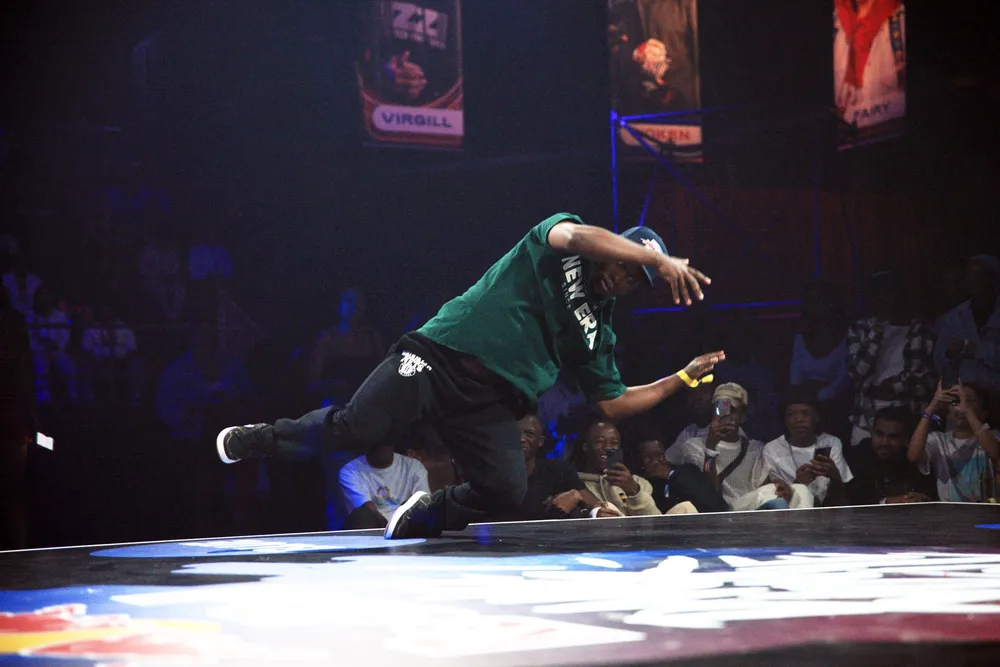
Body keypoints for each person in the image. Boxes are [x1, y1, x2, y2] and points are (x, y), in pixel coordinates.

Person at [216, 213, 720, 538]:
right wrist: (656, 257)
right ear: (615, 248)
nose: (622, 277)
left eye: (635, 280)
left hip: (489, 402)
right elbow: (577, 235)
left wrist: (682, 377)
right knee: (357, 428)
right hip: (436, 358)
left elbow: (612, 402)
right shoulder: (562, 244)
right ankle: (262, 438)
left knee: (505, 490)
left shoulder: (598, 330)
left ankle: (425, 513)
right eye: (625, 263)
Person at [673, 383, 808, 511]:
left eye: (732, 411)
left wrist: (781, 486)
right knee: (768, 493)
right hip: (725, 509)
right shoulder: (694, 446)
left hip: (752, 505)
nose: (726, 416)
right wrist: (711, 447)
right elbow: (710, 493)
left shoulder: (755, 448)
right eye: (720, 409)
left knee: (800, 490)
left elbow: (762, 485)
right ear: (713, 412)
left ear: (742, 416)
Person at [846, 271, 937, 446]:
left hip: (908, 415)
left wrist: (895, 387)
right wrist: (878, 330)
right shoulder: (861, 328)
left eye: (888, 292)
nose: (883, 299)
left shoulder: (921, 329)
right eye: (878, 293)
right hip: (867, 416)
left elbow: (929, 379)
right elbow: (855, 372)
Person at [502, 414, 619, 521]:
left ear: (540, 441)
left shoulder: (558, 470)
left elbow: (594, 502)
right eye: (515, 433)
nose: (521, 439)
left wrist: (579, 497)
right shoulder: (495, 474)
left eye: (529, 434)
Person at [907, 381, 999, 503]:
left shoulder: (992, 436)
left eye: (969, 401)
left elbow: (996, 453)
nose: (961, 406)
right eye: (956, 401)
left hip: (985, 510)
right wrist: (930, 410)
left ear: (983, 413)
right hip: (950, 511)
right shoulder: (939, 440)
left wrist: (968, 412)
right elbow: (913, 456)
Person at [763, 387, 854, 507]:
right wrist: (798, 483)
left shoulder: (831, 443)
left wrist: (834, 475)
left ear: (816, 417)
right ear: (784, 419)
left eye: (805, 413)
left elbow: (843, 494)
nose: (798, 419)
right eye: (791, 414)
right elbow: (773, 497)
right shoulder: (772, 449)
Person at [789, 281, 852, 441]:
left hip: (835, 409)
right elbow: (795, 379)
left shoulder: (847, 338)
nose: (815, 307)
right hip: (805, 404)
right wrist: (805, 399)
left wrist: (818, 398)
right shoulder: (800, 339)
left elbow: (842, 382)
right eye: (811, 302)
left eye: (819, 301)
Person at [0, 287, 36, 549]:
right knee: (13, 493)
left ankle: (19, 550)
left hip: (12, 415)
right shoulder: (15, 323)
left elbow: (24, 373)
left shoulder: (14, 324)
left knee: (13, 492)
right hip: (14, 413)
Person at [933, 255, 1000, 391]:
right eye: (969, 275)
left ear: (993, 279)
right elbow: (938, 359)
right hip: (962, 394)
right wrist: (949, 353)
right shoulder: (953, 317)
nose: (973, 280)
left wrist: (978, 350)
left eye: (979, 275)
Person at [575, 420, 668, 517]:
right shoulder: (576, 483)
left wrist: (633, 491)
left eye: (614, 443)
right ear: (586, 447)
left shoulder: (638, 482)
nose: (608, 447)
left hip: (638, 526)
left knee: (680, 507)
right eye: (600, 442)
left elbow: (653, 520)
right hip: (604, 526)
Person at [847, 406, 936, 505]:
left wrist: (921, 499)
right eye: (879, 434)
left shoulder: (915, 456)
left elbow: (930, 494)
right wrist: (887, 501)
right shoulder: (860, 454)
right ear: (872, 432)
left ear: (905, 438)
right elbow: (854, 495)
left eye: (893, 437)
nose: (884, 442)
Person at [339, 442, 430, 529]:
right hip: (373, 529)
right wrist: (391, 529)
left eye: (385, 443)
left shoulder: (413, 466)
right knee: (363, 515)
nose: (382, 449)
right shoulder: (350, 471)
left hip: (408, 527)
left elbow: (423, 503)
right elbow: (367, 508)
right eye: (377, 444)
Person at [635, 433, 728, 514]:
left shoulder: (687, 472)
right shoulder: (639, 487)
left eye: (660, 456)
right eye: (648, 457)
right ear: (639, 460)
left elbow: (712, 504)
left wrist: (671, 475)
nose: (655, 462)